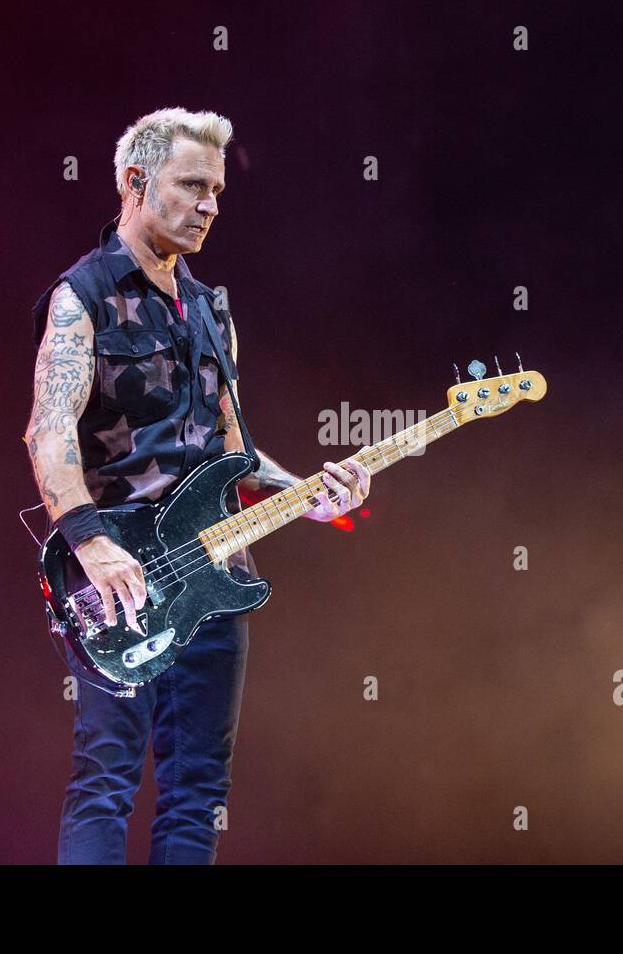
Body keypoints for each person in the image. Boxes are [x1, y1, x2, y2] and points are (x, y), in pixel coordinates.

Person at [25, 107, 370, 864]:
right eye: (191, 186)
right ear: (134, 182)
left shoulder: (213, 308)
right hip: (124, 574)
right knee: (106, 781)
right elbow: (48, 434)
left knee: (198, 791)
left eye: (216, 189)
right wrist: (91, 545)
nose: (211, 204)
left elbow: (234, 454)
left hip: (218, 573)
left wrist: (311, 491)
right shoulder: (82, 298)